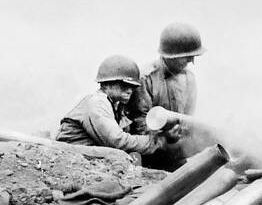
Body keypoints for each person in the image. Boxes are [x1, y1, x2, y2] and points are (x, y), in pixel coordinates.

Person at [57, 55, 165, 159]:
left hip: (86, 153)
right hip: (69, 153)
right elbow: (117, 141)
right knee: (119, 156)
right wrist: (155, 142)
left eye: (132, 86)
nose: (129, 90)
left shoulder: (116, 106)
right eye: (124, 85)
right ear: (107, 84)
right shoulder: (98, 102)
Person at [129, 22, 203, 171]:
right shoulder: (146, 78)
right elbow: (139, 127)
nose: (191, 61)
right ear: (170, 56)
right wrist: (165, 135)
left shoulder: (189, 79)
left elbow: (188, 119)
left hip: (176, 156)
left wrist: (183, 131)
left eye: (193, 56)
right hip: (148, 158)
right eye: (186, 57)